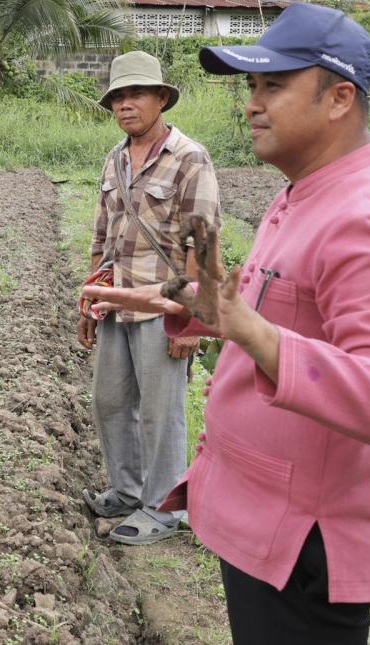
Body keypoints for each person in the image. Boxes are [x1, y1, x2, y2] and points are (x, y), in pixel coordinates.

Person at [83, 3, 370, 644]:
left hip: (305, 541)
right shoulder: (305, 190)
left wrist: (246, 328)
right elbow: (271, 311)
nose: (251, 103)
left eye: (273, 85)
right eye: (251, 86)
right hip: (264, 518)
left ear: (339, 98)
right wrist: (195, 306)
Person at [77, 50, 220, 546]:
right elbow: (103, 237)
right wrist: (92, 299)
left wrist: (191, 321)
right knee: (110, 401)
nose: (125, 104)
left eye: (136, 94)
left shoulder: (189, 158)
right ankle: (127, 489)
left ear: (161, 98)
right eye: (118, 96)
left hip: (165, 306)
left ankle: (162, 509)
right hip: (118, 301)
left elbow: (201, 245)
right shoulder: (114, 159)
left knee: (162, 411)